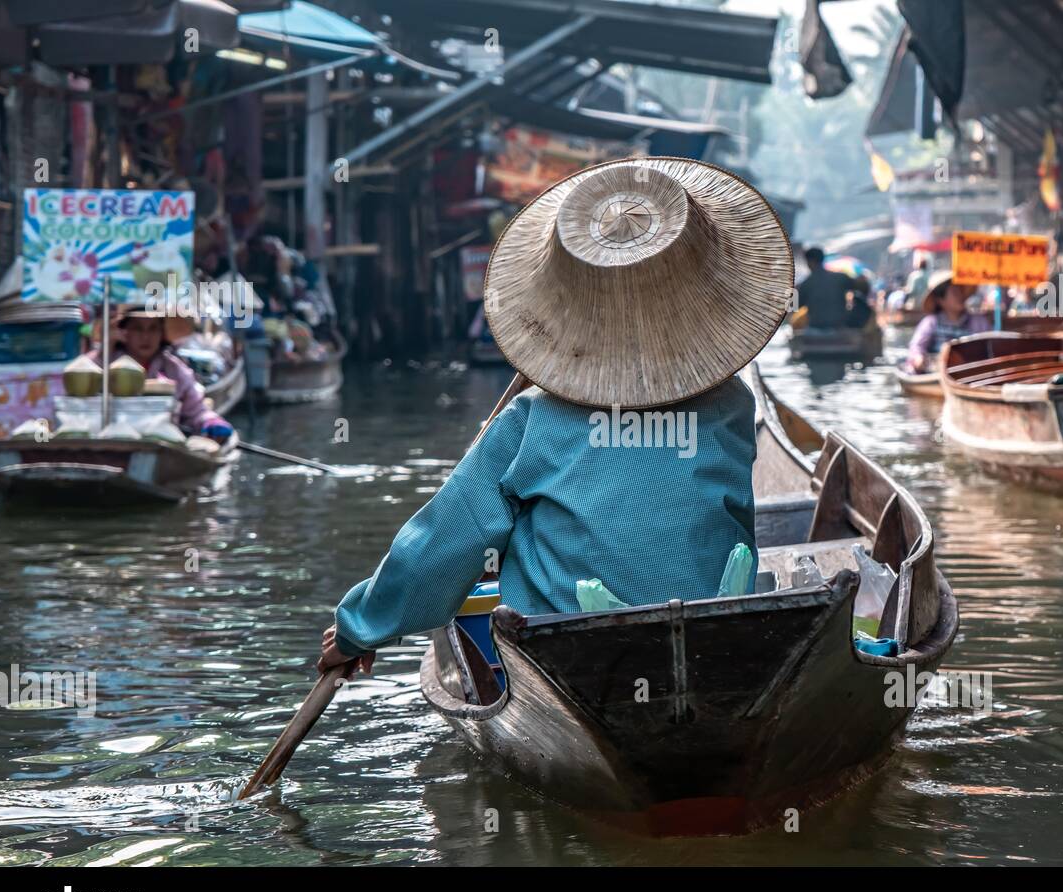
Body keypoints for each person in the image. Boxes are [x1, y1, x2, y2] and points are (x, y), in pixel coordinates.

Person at [318, 157, 794, 674]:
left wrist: (358, 628)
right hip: (713, 634)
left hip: (572, 651)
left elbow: (445, 542)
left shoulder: (530, 421)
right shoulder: (731, 405)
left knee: (501, 534)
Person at [90, 310, 234, 441]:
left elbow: (197, 411)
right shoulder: (102, 361)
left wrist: (211, 422)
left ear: (162, 333)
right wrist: (104, 350)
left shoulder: (175, 370)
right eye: (138, 328)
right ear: (124, 331)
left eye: (153, 329)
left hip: (161, 446)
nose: (145, 337)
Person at [905, 270, 991, 373]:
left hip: (970, 374)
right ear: (941, 300)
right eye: (954, 292)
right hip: (936, 374)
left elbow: (989, 347)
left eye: (960, 291)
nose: (960, 295)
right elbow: (916, 347)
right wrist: (918, 358)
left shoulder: (979, 322)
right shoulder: (931, 323)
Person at [794, 247, 855, 330]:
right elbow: (861, 287)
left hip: (815, 329)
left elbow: (794, 307)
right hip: (839, 328)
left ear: (810, 262)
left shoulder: (806, 284)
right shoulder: (841, 278)